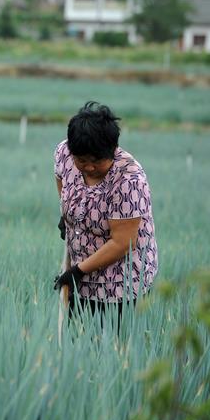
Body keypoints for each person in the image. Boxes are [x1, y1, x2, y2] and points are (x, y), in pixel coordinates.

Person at [53, 102, 158, 320]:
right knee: (78, 336)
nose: (89, 167)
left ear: (112, 151)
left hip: (120, 285)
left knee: (113, 339)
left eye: (97, 161)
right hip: (80, 278)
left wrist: (78, 271)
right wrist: (67, 215)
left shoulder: (129, 180)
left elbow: (122, 242)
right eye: (82, 161)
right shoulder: (64, 153)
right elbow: (61, 180)